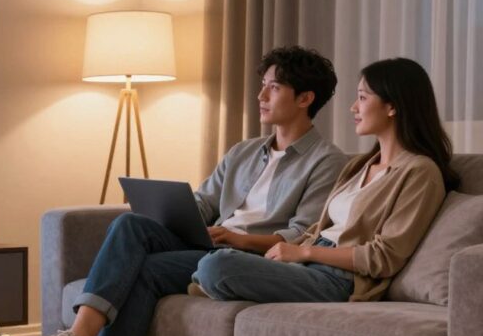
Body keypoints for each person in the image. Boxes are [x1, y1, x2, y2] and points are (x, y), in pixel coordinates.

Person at [42, 45, 348, 336]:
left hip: (244, 260)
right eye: (262, 84)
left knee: (148, 270)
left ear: (305, 99)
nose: (260, 95)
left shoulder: (327, 161)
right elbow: (205, 203)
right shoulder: (243, 152)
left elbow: (300, 235)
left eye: (273, 88)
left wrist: (238, 239)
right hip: (208, 242)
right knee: (130, 224)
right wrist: (163, 207)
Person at [191, 57, 457, 306]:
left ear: (392, 106)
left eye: (363, 98)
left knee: (217, 265)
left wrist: (306, 254)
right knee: (203, 261)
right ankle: (214, 282)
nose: (353, 107)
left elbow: (384, 257)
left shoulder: (420, 172)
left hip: (338, 278)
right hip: (305, 262)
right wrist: (292, 249)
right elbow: (318, 228)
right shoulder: (360, 165)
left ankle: (212, 282)